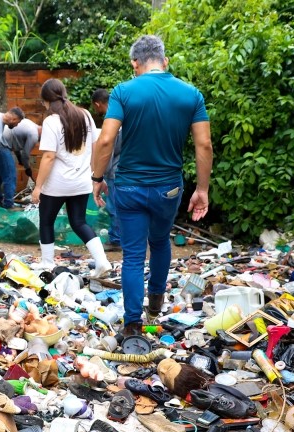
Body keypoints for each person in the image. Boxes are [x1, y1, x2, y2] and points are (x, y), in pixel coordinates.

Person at [91, 35, 213, 337]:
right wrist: (202, 189)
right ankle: (156, 301)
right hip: (168, 189)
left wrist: (97, 178)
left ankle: (132, 323)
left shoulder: (123, 92)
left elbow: (105, 139)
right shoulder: (191, 95)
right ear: (165, 61)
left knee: (133, 255)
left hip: (130, 187)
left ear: (135, 63)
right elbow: (204, 145)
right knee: (160, 242)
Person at [32, 78, 112, 279]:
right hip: (82, 182)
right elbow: (96, 147)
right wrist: (96, 176)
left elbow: (49, 157)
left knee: (47, 221)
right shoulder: (85, 115)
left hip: (57, 185)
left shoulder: (51, 121)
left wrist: (38, 186)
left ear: (46, 100)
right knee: (79, 222)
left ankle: (48, 264)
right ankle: (102, 262)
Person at [91, 88, 122, 252]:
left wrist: (100, 175)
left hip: (115, 173)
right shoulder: (124, 115)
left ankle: (116, 240)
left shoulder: (112, 121)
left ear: (98, 104)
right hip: (128, 171)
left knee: (114, 208)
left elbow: (108, 150)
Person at [0, 117, 40, 208]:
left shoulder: (31, 124)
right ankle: (8, 204)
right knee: (11, 176)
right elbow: (25, 155)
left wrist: (19, 158)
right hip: (2, 145)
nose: (40, 141)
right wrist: (28, 168)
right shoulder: (34, 134)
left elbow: (15, 140)